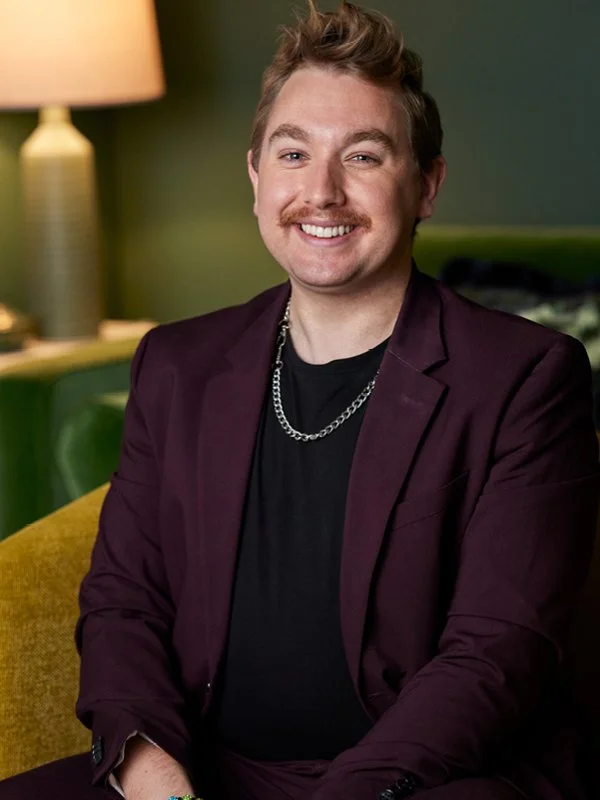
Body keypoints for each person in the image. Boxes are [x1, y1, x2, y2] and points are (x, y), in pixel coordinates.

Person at [1, 2, 598, 799]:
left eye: (363, 156)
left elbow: (497, 654)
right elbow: (123, 602)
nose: (321, 192)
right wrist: (155, 777)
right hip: (206, 773)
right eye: (292, 153)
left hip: (431, 778)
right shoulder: (177, 365)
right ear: (255, 177)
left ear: (426, 185)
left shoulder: (526, 378)